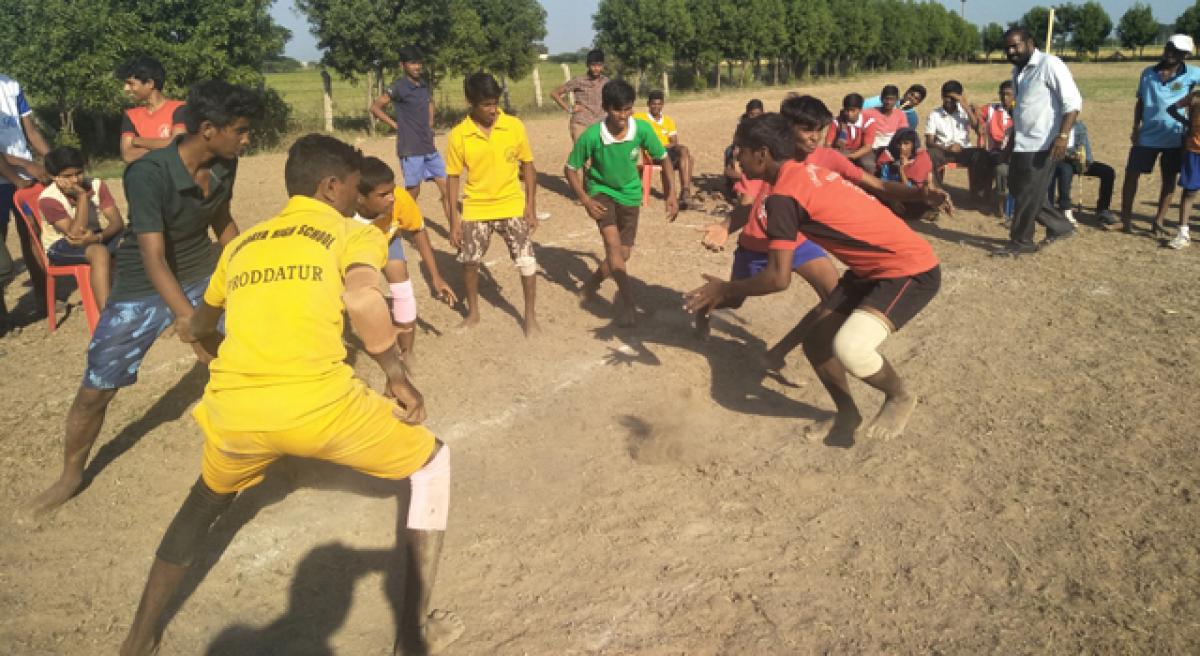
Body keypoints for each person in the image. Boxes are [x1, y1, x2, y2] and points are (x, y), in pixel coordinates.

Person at [118, 134, 463, 656]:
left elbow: (201, 322)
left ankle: (138, 639)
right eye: (351, 185)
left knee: (201, 505)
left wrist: (207, 348)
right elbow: (366, 299)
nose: (355, 194)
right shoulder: (353, 232)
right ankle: (412, 635)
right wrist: (396, 374)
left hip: (235, 415)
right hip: (319, 408)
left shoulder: (242, 243)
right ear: (330, 188)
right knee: (433, 464)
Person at [27, 81, 261, 516]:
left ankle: (251, 445)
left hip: (200, 271)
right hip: (142, 286)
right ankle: (71, 475)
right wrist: (190, 319)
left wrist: (247, 274)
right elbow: (153, 258)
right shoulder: (148, 173)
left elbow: (224, 224)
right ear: (208, 129)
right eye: (242, 130)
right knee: (99, 386)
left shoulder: (226, 165)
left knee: (237, 359)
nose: (247, 139)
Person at [685, 113, 940, 446]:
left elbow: (777, 279)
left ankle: (899, 395)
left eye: (741, 152)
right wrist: (919, 195)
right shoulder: (808, 172)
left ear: (761, 154)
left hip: (908, 270)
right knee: (817, 342)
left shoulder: (782, 199)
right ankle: (848, 414)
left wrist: (726, 288)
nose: (737, 160)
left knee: (850, 347)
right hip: (870, 270)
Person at [565, 79, 678, 327]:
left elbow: (664, 159)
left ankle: (591, 285)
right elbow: (570, 169)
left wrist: (671, 193)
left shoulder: (642, 130)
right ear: (606, 107)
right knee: (614, 249)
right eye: (618, 110)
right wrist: (585, 199)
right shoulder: (593, 136)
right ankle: (629, 306)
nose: (623, 116)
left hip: (630, 196)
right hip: (601, 193)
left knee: (623, 254)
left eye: (628, 109)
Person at [445, 73, 540, 336]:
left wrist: (530, 207)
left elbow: (529, 167)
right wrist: (454, 221)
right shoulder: (458, 136)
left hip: (512, 205)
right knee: (470, 262)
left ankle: (530, 317)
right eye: (486, 104)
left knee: (527, 262)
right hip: (476, 209)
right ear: (470, 102)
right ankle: (473, 312)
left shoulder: (514, 126)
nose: (493, 110)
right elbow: (453, 179)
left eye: (495, 102)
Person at [354, 157, 456, 362]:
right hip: (356, 250)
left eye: (392, 190)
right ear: (360, 198)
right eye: (383, 195)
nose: (392, 197)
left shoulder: (399, 199)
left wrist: (436, 277)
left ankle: (406, 353)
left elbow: (418, 231)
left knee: (403, 290)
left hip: (387, 240)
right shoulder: (343, 217)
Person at [992, 27, 1080, 257]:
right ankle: (1061, 227)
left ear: (1030, 42)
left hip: (1044, 143)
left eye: (1015, 46)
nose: (1011, 51)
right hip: (1023, 142)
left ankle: (1021, 242)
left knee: (1027, 194)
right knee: (1022, 190)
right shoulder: (1017, 72)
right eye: (1007, 48)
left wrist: (1062, 137)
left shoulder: (1050, 65)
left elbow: (1073, 103)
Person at [1120, 35, 1200, 235]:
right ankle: (1126, 220)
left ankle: (1159, 221)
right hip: (1146, 135)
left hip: (1175, 137)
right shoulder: (1147, 73)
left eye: (1178, 51)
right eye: (1169, 48)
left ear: (1186, 55)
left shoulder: (1193, 74)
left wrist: (1190, 124)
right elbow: (1140, 102)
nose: (1171, 53)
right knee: (1131, 176)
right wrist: (1135, 127)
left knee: (1169, 179)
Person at [36, 146, 126, 309]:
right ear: (53, 177)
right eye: (67, 176)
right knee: (99, 253)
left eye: (78, 173)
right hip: (62, 244)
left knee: (137, 237)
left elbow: (117, 222)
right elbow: (75, 234)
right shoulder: (48, 199)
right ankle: (108, 317)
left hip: (94, 237)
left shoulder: (96, 185)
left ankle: (138, 298)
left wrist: (99, 238)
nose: (75, 180)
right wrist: (82, 197)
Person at [0, 72, 52, 327]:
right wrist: (26, 165)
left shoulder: (11, 86)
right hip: (8, 178)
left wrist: (56, 161)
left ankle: (45, 298)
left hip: (22, 177)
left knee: (32, 235)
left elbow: (30, 132)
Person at [371, 46, 446, 204]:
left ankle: (454, 228)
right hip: (410, 148)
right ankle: (399, 225)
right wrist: (396, 125)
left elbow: (430, 102)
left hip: (428, 146)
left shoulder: (423, 84)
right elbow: (375, 107)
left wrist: (430, 123)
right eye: (412, 63)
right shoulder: (398, 87)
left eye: (419, 63)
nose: (417, 67)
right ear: (402, 65)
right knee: (413, 192)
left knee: (447, 188)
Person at [923, 80, 987, 200]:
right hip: (944, 151)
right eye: (946, 97)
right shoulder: (934, 115)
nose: (949, 101)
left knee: (981, 155)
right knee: (931, 154)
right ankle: (937, 193)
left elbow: (979, 131)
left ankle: (978, 195)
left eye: (953, 98)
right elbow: (929, 142)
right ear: (942, 96)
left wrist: (966, 107)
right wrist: (947, 148)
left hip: (964, 150)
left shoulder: (964, 112)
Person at [117, 56, 187, 164]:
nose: (125, 89)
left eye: (130, 83)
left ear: (150, 83)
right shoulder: (131, 115)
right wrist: (165, 146)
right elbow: (127, 155)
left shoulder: (180, 108)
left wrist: (138, 141)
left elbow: (178, 145)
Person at [1046, 121, 1116, 226]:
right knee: (1066, 170)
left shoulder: (1079, 126)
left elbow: (1084, 146)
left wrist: (1087, 161)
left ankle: (1103, 209)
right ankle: (1065, 208)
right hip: (1059, 161)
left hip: (1077, 161)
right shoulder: (1054, 125)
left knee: (1108, 172)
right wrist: (1071, 155)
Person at [634, 89, 695, 208]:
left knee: (686, 153)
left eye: (659, 104)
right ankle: (685, 194)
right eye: (653, 104)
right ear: (648, 104)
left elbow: (674, 141)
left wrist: (663, 146)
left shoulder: (668, 121)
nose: (656, 107)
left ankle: (685, 192)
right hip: (651, 154)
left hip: (667, 151)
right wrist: (656, 146)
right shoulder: (640, 118)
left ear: (662, 105)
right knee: (686, 155)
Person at [876, 129, 940, 221]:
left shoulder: (920, 161)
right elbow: (883, 184)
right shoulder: (889, 161)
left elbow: (911, 189)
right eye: (899, 144)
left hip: (913, 196)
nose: (902, 147)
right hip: (893, 195)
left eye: (906, 144)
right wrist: (893, 201)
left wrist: (902, 171)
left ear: (913, 145)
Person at [974, 80, 1016, 217]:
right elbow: (976, 110)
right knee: (1001, 168)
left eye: (1009, 94)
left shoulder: (1022, 112)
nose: (1005, 98)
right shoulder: (992, 109)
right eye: (1002, 94)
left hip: (1018, 153)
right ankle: (1000, 203)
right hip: (997, 152)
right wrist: (980, 122)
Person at [1166, 88, 1200, 249]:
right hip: (1194, 150)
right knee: (1189, 191)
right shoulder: (1194, 96)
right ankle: (1183, 232)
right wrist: (1187, 122)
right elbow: (1171, 108)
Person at [552, 49, 610, 143]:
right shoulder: (579, 81)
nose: (596, 68)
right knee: (582, 154)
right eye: (593, 65)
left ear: (603, 65)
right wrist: (569, 109)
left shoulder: (606, 82)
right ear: (587, 65)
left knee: (600, 156)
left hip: (601, 124)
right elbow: (555, 93)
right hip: (581, 123)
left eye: (599, 65)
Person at [724, 99, 765, 199]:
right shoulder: (742, 126)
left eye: (758, 114)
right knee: (730, 151)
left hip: (759, 152)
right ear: (747, 114)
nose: (755, 117)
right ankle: (733, 184)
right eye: (752, 114)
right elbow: (736, 142)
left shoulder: (766, 127)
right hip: (745, 151)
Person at [826, 93, 877, 171]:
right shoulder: (837, 122)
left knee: (868, 164)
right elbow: (827, 144)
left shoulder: (868, 122)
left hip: (862, 150)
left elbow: (867, 147)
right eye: (847, 110)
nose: (849, 114)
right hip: (842, 150)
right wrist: (835, 154)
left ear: (860, 110)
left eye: (853, 110)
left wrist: (851, 156)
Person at [862, 85, 910, 153]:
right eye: (886, 99)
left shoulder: (900, 115)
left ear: (897, 100)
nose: (889, 102)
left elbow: (904, 133)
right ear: (881, 98)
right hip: (872, 149)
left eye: (892, 99)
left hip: (892, 149)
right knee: (867, 163)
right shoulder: (868, 113)